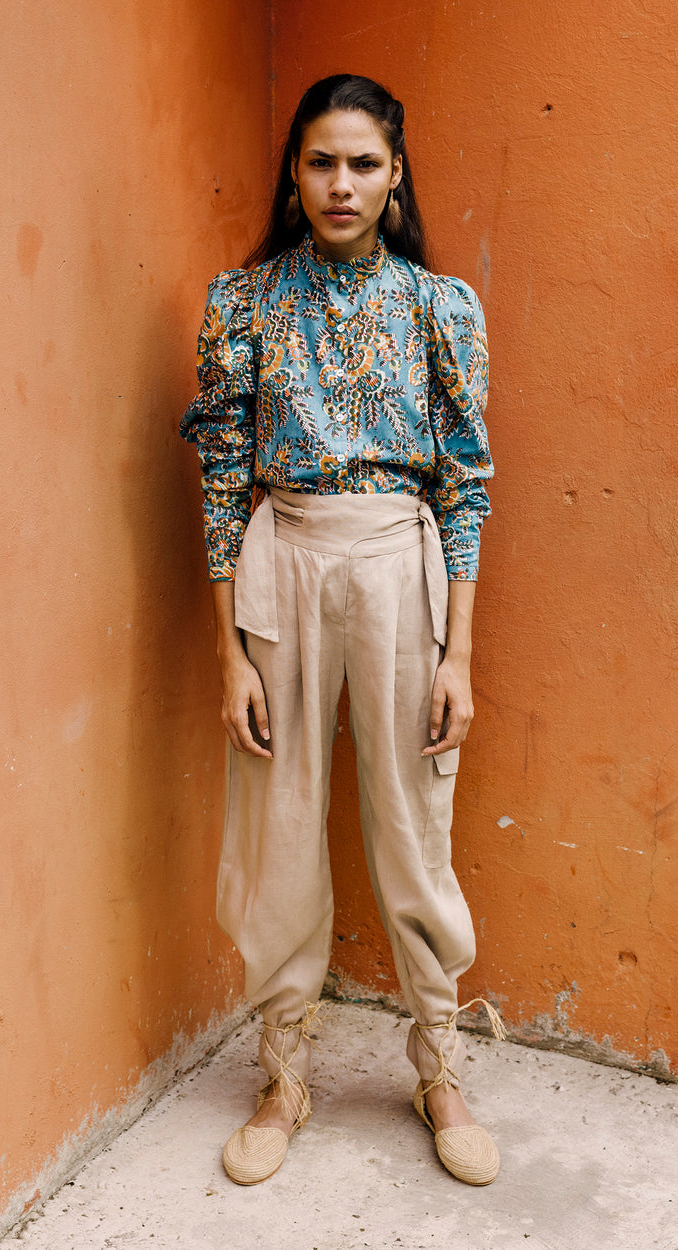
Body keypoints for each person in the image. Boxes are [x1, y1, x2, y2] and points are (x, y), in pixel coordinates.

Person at [180, 73, 503, 1187]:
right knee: (279, 821)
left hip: (397, 561)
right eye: (320, 160)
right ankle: (284, 1072)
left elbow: (466, 481)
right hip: (282, 554)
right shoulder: (244, 300)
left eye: (363, 162)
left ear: (396, 172)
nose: (340, 183)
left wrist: (459, 652)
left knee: (415, 820)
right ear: (294, 171)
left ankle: (439, 1062)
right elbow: (222, 479)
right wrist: (228, 650)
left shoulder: (439, 306)